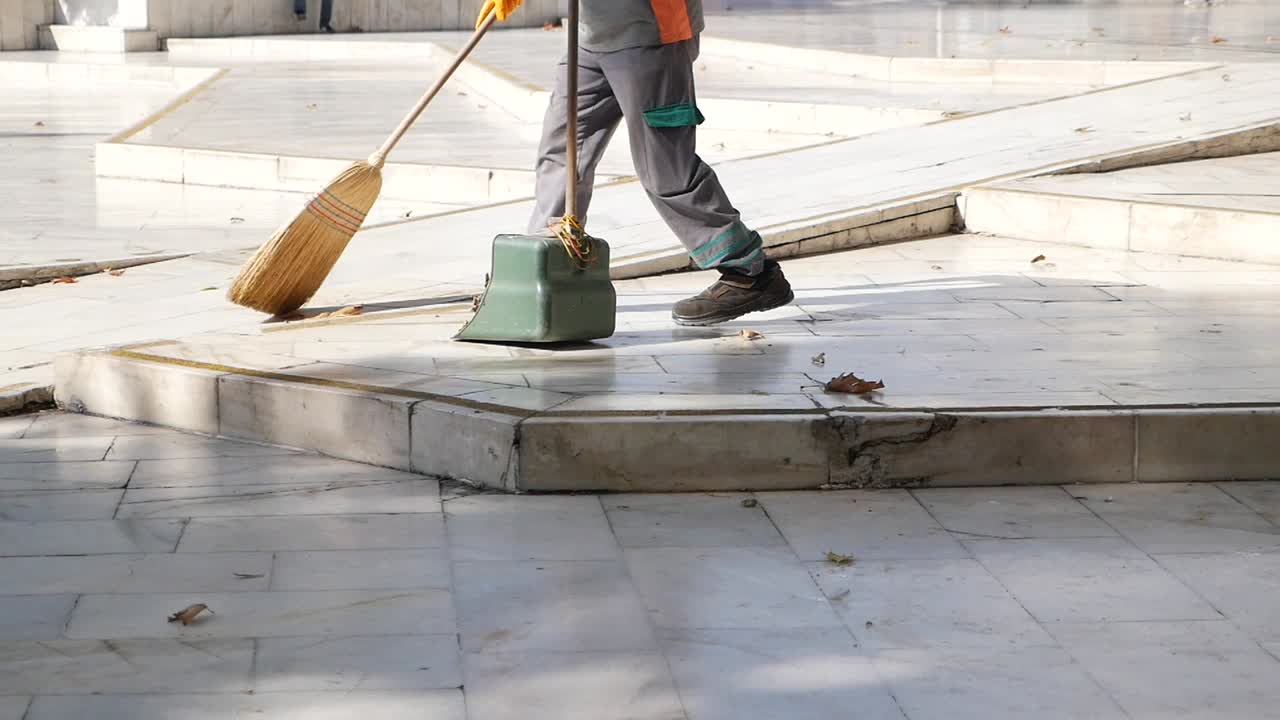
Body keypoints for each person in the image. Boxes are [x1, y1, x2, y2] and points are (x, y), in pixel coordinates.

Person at [477, 0, 793, 326]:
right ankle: (545, 267)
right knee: (562, 152)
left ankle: (750, 273)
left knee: (665, 168)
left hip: (650, 31)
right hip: (591, 34)